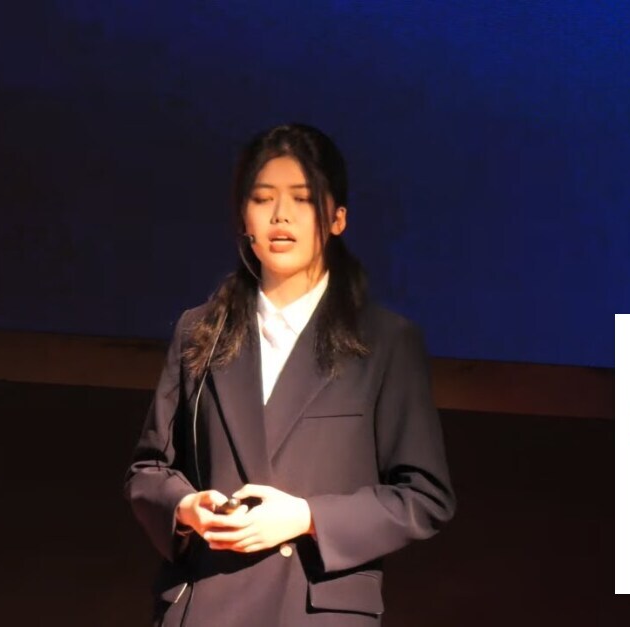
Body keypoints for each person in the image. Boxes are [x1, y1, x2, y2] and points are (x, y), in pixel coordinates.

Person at [124, 123, 455, 626]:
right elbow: (149, 469)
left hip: (314, 609)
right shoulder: (202, 330)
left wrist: (305, 517)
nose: (281, 215)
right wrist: (187, 507)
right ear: (244, 218)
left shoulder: (386, 341)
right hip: (208, 603)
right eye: (263, 199)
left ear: (337, 218)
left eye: (301, 198)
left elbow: (425, 496)